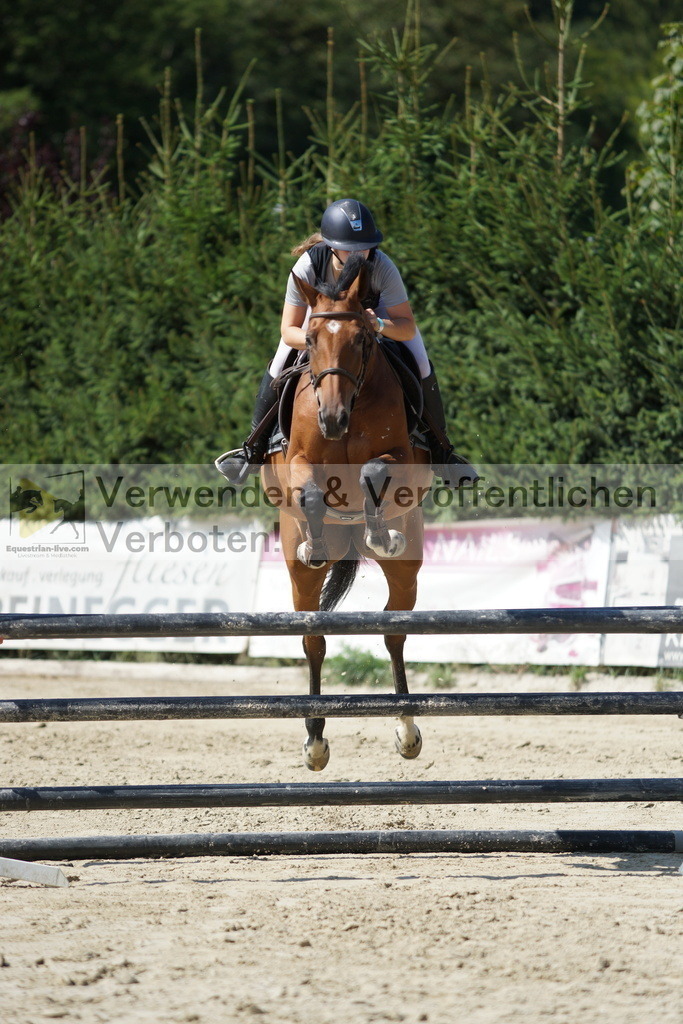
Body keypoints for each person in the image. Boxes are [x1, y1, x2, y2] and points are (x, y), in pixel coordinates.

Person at [216, 198, 476, 485]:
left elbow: (407, 327)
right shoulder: (308, 265)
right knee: (279, 364)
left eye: (366, 245)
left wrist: (377, 324)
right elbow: (288, 330)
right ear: (331, 246)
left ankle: (442, 452)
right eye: (351, 248)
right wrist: (321, 341)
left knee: (421, 364)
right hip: (319, 326)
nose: (360, 253)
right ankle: (252, 449)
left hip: (374, 320)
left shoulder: (382, 267)